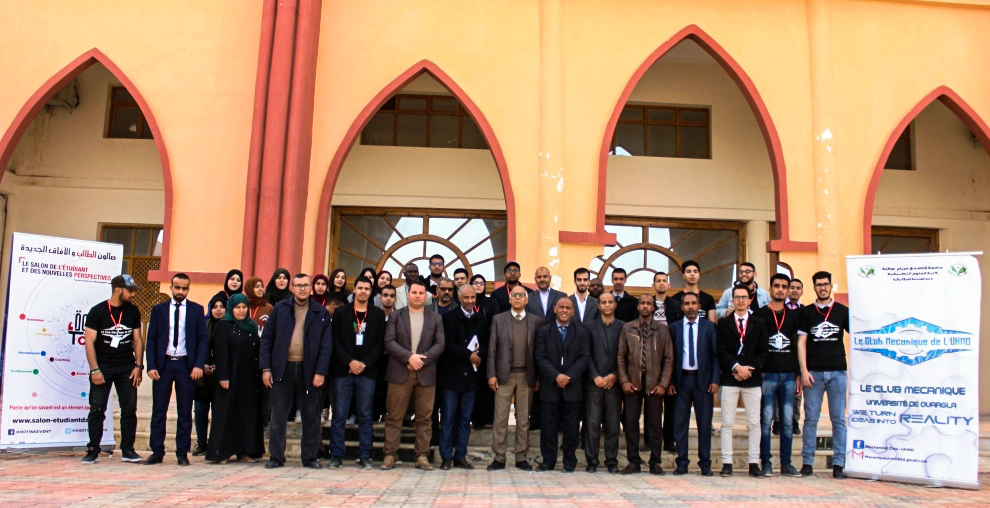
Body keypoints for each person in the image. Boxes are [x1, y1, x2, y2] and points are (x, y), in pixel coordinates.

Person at [260, 274, 333, 469]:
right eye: (299, 285)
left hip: (309, 370)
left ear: (311, 288)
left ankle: (310, 457)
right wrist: (266, 368)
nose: (302, 289)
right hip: (282, 368)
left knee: (311, 416)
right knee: (278, 415)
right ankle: (276, 457)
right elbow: (267, 339)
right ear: (292, 287)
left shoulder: (320, 312)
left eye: (306, 285)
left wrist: (320, 372)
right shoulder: (280, 309)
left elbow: (326, 345)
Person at [145, 273, 209, 466]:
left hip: (185, 365)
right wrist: (151, 365)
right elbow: (152, 339)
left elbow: (202, 339)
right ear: (171, 288)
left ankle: (182, 453)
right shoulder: (159, 310)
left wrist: (198, 365)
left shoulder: (196, 310)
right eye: (177, 287)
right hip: (163, 365)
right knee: (159, 410)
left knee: (185, 411)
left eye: (184, 288)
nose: (180, 291)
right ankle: (157, 451)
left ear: (188, 289)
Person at [81, 274, 145, 464]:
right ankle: (93, 449)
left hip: (126, 367)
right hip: (103, 367)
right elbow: (89, 343)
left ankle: (128, 450)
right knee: (97, 409)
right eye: (130, 291)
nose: (133, 294)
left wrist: (138, 366)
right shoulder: (97, 311)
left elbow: (137, 340)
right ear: (118, 290)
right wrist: (95, 370)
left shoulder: (133, 311)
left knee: (129, 409)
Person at [382, 280, 445, 470]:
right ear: (408, 294)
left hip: (425, 374)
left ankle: (422, 456)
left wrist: (421, 361)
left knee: (425, 418)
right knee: (394, 416)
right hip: (400, 372)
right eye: (414, 292)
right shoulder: (396, 316)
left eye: (421, 293)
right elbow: (389, 341)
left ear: (426, 296)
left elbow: (440, 344)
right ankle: (390, 455)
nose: (418, 296)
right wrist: (409, 357)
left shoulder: (435, 318)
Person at [796, 271, 849, 479]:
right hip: (814, 373)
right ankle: (807, 462)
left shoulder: (842, 311)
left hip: (837, 371)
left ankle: (839, 464)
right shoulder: (806, 312)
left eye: (826, 284)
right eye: (819, 285)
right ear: (814, 287)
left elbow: (858, 334)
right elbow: (801, 342)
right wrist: (803, 370)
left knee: (838, 419)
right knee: (811, 419)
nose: (823, 288)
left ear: (831, 286)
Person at [328, 276, 385, 469]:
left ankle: (365, 455)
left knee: (365, 415)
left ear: (371, 292)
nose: (363, 292)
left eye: (367, 289)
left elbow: (380, 344)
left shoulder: (377, 314)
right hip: (343, 371)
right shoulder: (341, 312)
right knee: (339, 414)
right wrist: (350, 362)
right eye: (360, 288)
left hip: (367, 372)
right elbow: (334, 341)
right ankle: (337, 455)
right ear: (354, 289)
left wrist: (363, 364)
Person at [486, 286, 542, 471]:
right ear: (510, 299)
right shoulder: (499, 319)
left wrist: (538, 377)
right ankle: (499, 457)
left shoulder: (536, 321)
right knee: (500, 418)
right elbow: (492, 349)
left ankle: (521, 457)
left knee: (523, 419)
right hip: (504, 375)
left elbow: (539, 352)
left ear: (527, 300)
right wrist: (491, 374)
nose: (517, 298)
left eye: (521, 295)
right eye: (514, 295)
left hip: (527, 375)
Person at [716, 285, 769, 477]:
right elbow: (721, 350)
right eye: (737, 297)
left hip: (752, 379)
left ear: (749, 300)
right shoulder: (724, 323)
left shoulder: (759, 323)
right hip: (730, 378)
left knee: (754, 423)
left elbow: (764, 351)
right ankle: (727, 463)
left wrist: (748, 369)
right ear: (732, 300)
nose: (740, 300)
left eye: (744, 297)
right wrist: (736, 367)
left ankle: (754, 463)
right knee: (727, 423)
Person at [617, 294, 673, 475]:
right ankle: (633, 461)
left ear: (653, 308)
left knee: (655, 424)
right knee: (630, 423)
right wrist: (624, 380)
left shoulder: (662, 330)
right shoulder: (628, 328)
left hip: (654, 383)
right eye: (642, 303)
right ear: (638, 306)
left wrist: (663, 384)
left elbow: (668, 358)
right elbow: (621, 356)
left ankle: (655, 462)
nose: (645, 306)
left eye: (649, 303)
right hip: (633, 382)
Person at [206, 294, 265, 463]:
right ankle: (221, 452)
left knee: (247, 413)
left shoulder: (251, 326)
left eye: (244, 307)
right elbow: (220, 353)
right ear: (231, 308)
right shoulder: (223, 326)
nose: (241, 310)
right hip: (230, 377)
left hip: (249, 378)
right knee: (226, 413)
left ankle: (245, 451)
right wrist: (223, 376)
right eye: (237, 307)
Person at [754, 273, 802, 477]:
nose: (781, 289)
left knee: (787, 422)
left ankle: (786, 463)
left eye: (784, 286)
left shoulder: (795, 316)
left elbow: (798, 346)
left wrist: (799, 374)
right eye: (777, 286)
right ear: (770, 289)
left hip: (789, 374)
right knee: (765, 421)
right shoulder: (760, 314)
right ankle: (766, 462)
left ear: (788, 290)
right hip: (767, 374)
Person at [437, 284, 489, 470]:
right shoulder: (448, 318)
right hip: (452, 377)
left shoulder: (481, 320)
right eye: (466, 297)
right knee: (448, 418)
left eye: (472, 297)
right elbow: (448, 345)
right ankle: (446, 457)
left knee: (465, 419)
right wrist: (469, 356)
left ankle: (460, 456)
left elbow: (486, 344)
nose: (469, 301)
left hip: (471, 378)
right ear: (459, 298)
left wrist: (479, 355)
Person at [534, 298, 589, 473]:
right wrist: (556, 376)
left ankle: (569, 461)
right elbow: (540, 356)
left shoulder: (581, 332)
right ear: (555, 309)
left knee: (572, 427)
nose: (564, 310)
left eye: (568, 308)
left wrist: (569, 377)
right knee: (548, 427)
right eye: (562, 307)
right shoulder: (543, 331)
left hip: (572, 387)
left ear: (573, 311)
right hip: (550, 386)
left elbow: (584, 358)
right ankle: (548, 460)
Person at [669, 292, 719, 477]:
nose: (690, 307)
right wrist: (670, 381)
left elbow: (716, 356)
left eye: (693, 303)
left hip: (703, 382)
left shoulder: (709, 327)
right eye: (687, 304)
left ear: (699, 306)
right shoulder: (674, 328)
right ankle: (682, 463)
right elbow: (669, 357)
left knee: (704, 424)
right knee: (680, 424)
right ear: (682, 307)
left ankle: (705, 463)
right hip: (681, 381)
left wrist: (715, 380)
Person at [582, 293, 622, 474]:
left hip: (614, 384)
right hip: (594, 384)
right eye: (604, 302)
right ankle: (592, 460)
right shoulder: (589, 327)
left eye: (610, 302)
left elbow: (626, 354)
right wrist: (595, 376)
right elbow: (585, 354)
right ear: (598, 306)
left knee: (613, 425)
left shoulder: (623, 327)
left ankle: (611, 461)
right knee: (592, 424)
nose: (607, 305)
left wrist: (615, 375)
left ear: (615, 305)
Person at [652, 271, 683, 453]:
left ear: (668, 285)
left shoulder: (676, 306)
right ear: (653, 285)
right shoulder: (647, 304)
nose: (662, 283)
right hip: (650, 359)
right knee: (652, 406)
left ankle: (669, 441)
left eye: (664, 281)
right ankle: (651, 441)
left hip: (671, 358)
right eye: (658, 281)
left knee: (671, 406)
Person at [193, 296, 225, 456]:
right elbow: (196, 347)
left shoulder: (230, 326)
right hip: (202, 375)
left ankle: (215, 443)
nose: (218, 310)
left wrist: (220, 367)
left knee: (219, 411)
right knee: (200, 409)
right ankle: (201, 442)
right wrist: (202, 365)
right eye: (214, 306)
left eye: (221, 306)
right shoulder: (203, 325)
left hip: (222, 375)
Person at [373, 284, 398, 422]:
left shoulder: (399, 316)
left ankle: (385, 412)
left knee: (388, 387)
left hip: (392, 358)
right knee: (374, 386)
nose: (388, 298)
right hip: (375, 358)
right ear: (380, 298)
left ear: (395, 299)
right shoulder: (373, 315)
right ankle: (373, 413)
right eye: (385, 295)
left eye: (392, 296)